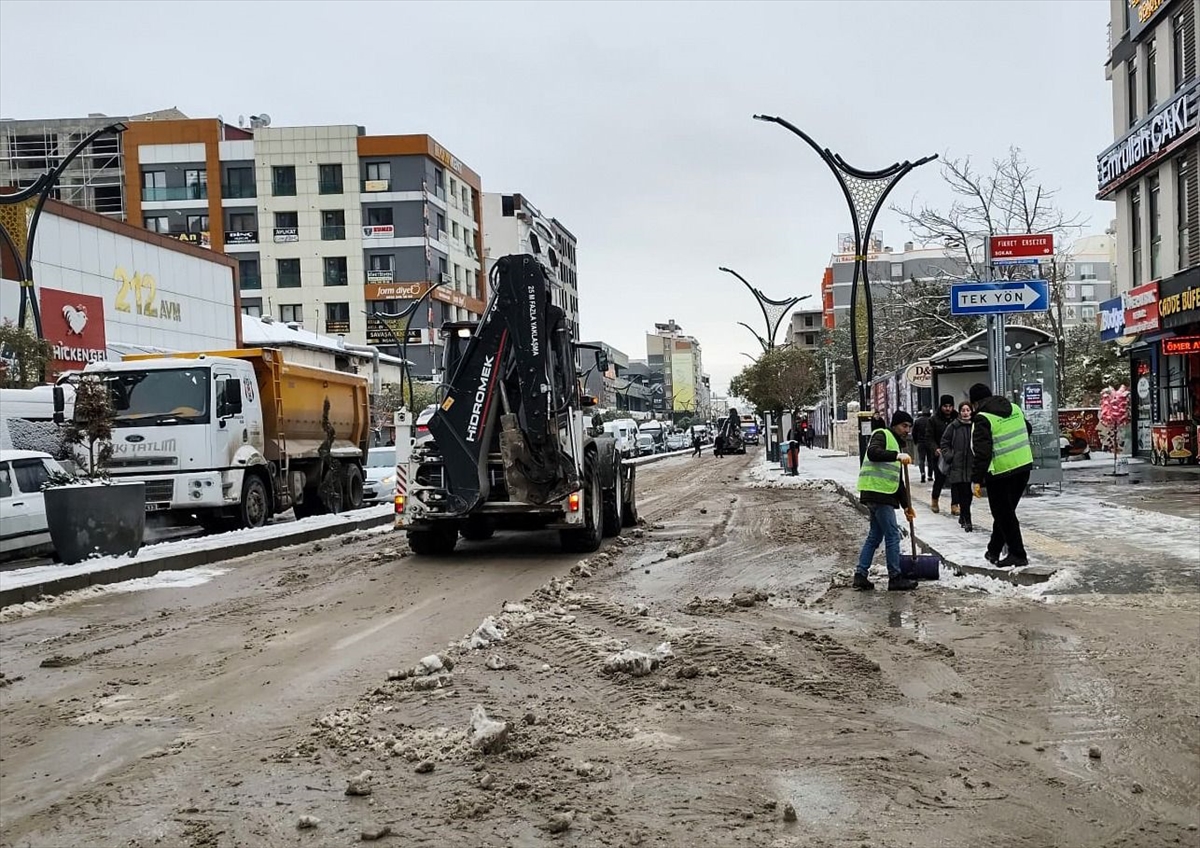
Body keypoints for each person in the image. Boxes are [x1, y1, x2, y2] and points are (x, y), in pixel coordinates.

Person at [853, 410, 920, 592]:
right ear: (895, 425)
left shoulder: (897, 445)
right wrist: (896, 456)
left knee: (875, 535)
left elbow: (897, 480)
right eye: (904, 426)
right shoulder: (881, 434)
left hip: (878, 493)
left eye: (909, 427)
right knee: (892, 535)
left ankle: (860, 574)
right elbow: (873, 453)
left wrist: (907, 506)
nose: (907, 430)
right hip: (878, 493)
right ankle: (895, 577)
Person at [969, 382, 1035, 568]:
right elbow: (1027, 429)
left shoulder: (982, 418)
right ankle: (994, 550)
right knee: (1005, 512)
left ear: (975, 403)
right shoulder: (1014, 408)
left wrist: (976, 479)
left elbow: (983, 453)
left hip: (1001, 472)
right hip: (1023, 467)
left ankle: (1017, 554)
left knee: (1004, 514)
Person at [940, 401, 975, 532]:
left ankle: (964, 516)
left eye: (968, 410)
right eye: (963, 410)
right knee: (962, 493)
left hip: (971, 465)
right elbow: (944, 442)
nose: (965, 413)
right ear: (959, 412)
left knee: (969, 494)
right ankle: (967, 519)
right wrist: (950, 456)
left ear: (971, 412)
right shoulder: (953, 427)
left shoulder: (975, 426)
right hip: (957, 466)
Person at [926, 395, 956, 514]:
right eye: (945, 406)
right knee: (939, 478)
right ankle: (935, 500)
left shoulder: (956, 418)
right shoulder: (933, 420)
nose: (948, 409)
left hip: (954, 453)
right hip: (939, 455)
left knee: (955, 480)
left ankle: (955, 504)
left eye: (950, 406)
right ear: (941, 406)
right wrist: (935, 449)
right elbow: (929, 437)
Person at [911, 409, 933, 483]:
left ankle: (922, 473)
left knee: (921, 459)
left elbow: (914, 432)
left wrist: (915, 441)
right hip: (929, 442)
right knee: (930, 460)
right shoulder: (931, 420)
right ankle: (930, 475)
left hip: (921, 442)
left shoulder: (917, 421)